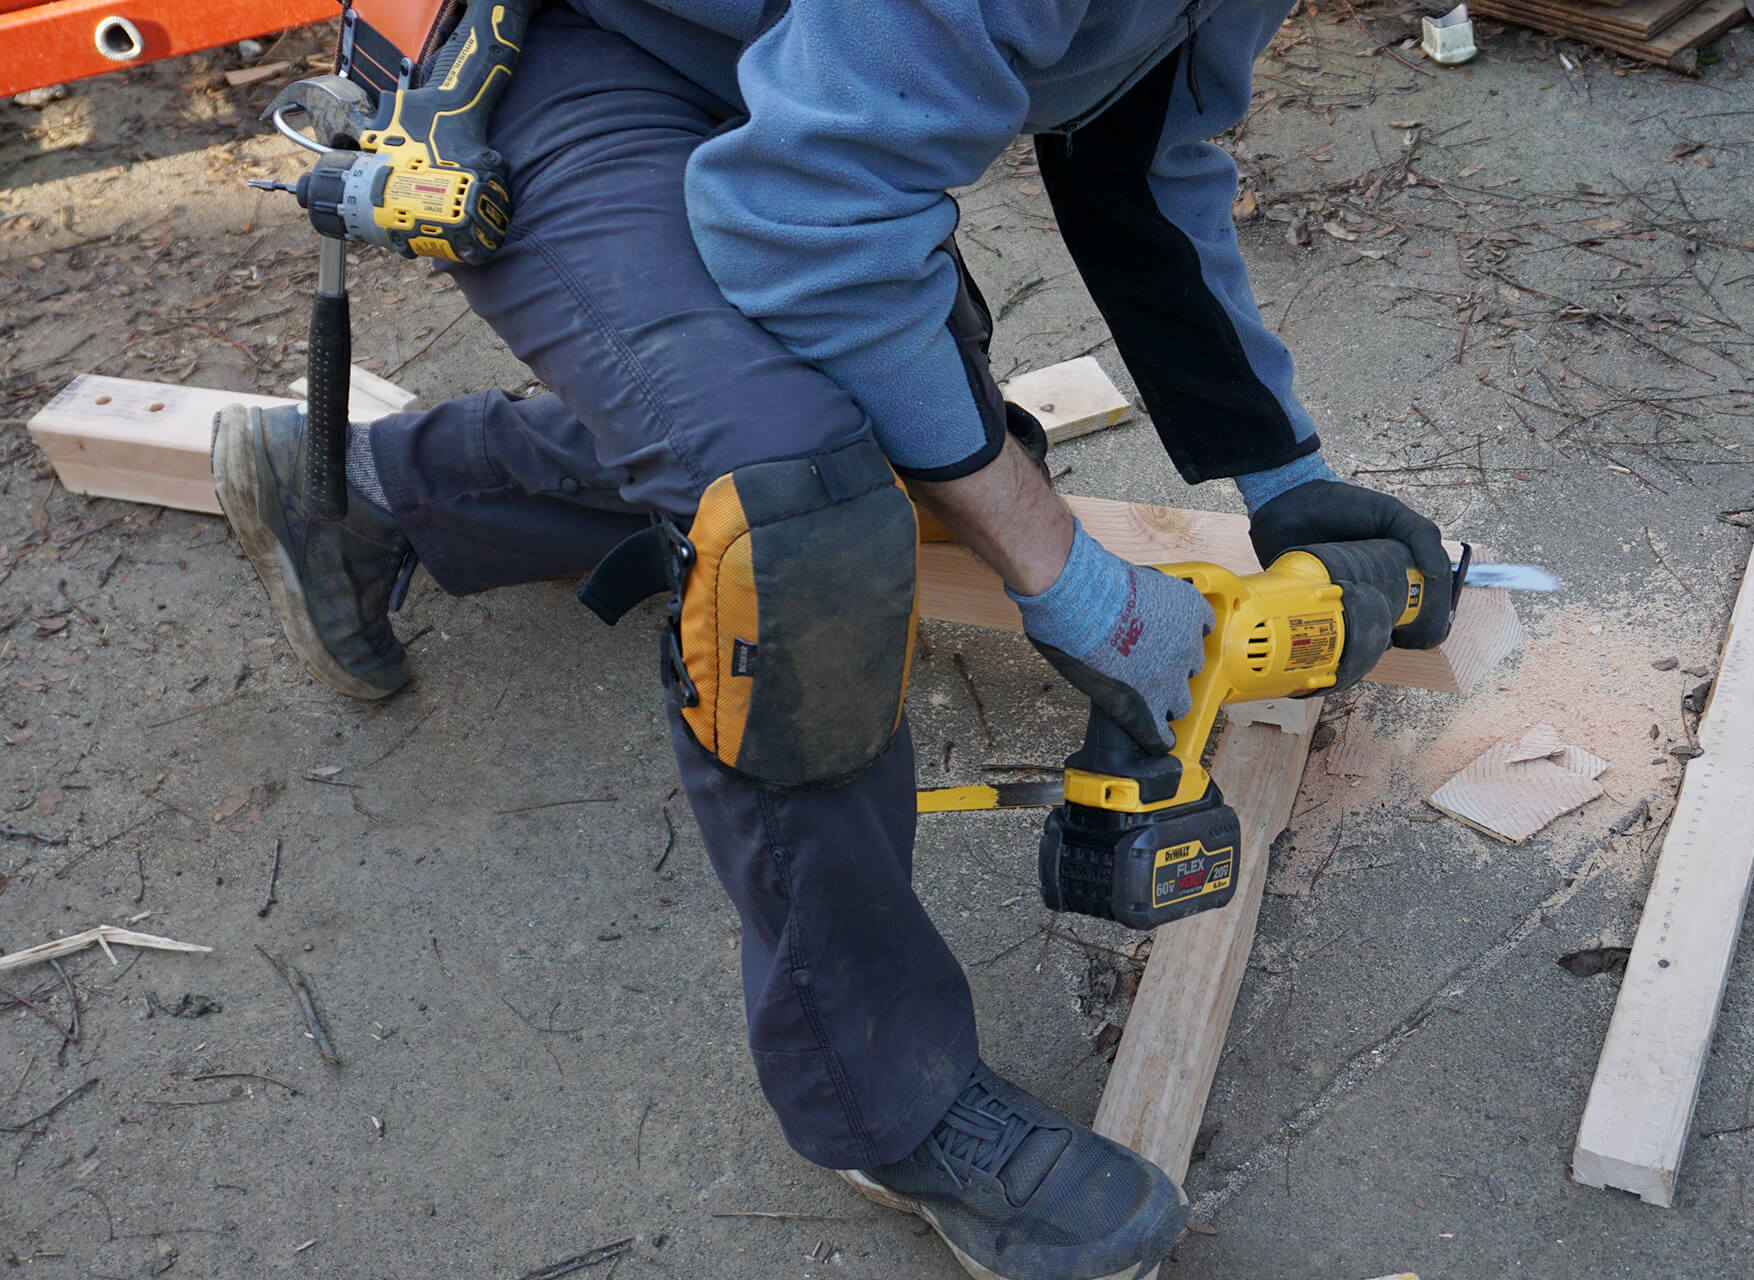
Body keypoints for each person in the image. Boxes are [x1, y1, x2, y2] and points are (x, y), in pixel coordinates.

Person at [212, 3, 1454, 1277]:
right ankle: (887, 1099)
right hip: (545, 52)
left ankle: (369, 496)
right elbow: (808, 223)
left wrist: (1281, 469)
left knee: (908, 434)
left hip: (765, 51)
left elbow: (1137, 147)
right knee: (801, 525)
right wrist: (1080, 588)